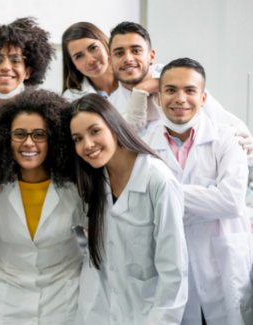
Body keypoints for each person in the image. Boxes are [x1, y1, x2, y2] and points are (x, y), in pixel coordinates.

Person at [141, 58, 253, 325]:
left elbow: (231, 201)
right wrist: (207, 197)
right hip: (172, 275)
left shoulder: (228, 138)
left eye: (190, 90)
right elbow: (144, 210)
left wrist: (165, 196)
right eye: (170, 90)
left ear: (203, 98)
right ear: (158, 98)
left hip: (225, 270)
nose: (180, 98)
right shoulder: (143, 147)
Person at [68, 93, 188, 324]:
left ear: (114, 126)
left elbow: (173, 271)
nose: (87, 145)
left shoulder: (158, 181)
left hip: (143, 315)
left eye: (94, 131)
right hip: (95, 312)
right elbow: (82, 236)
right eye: (77, 139)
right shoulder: (93, 179)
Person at [0, 89, 83, 323]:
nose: (28, 143)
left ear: (54, 137)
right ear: (5, 137)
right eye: (19, 134)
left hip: (64, 293)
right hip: (6, 294)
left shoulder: (75, 186)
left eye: (39, 134)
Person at [107, 21, 253, 160]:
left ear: (151, 56)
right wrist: (139, 92)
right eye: (119, 53)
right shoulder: (108, 107)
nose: (128, 58)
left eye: (136, 51)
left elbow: (231, 128)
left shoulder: (183, 81)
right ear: (110, 61)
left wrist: (245, 143)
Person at [62, 22, 119, 102]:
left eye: (93, 48)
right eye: (79, 56)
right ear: (73, 64)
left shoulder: (135, 81)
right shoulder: (70, 99)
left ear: (106, 44)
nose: (90, 60)